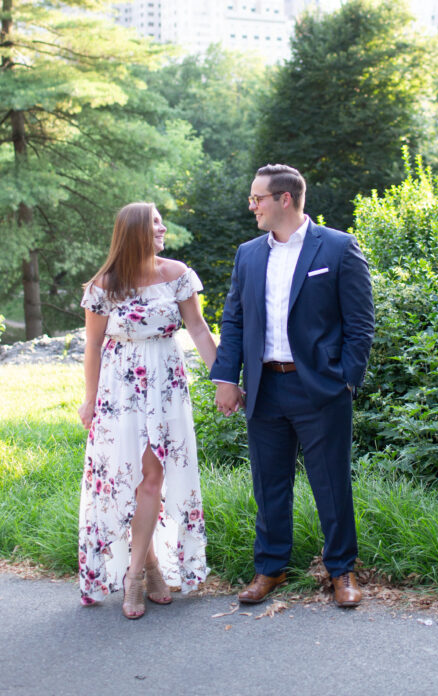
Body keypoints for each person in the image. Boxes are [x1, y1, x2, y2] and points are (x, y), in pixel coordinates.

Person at [210, 163, 374, 608]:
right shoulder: (248, 253)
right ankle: (271, 569)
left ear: (284, 199)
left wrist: (346, 382)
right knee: (269, 485)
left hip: (320, 389)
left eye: (257, 198)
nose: (251, 206)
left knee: (332, 485)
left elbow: (361, 324)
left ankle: (342, 572)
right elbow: (235, 319)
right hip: (265, 388)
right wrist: (227, 378)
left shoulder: (338, 248)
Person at [77, 202, 218, 618]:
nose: (163, 228)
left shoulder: (176, 275)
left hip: (166, 386)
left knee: (153, 477)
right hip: (119, 391)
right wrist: (88, 400)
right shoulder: (104, 285)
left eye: (161, 221)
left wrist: (223, 379)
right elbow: (92, 348)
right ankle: (145, 570)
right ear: (135, 230)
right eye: (155, 222)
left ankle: (136, 574)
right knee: (133, 481)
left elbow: (198, 328)